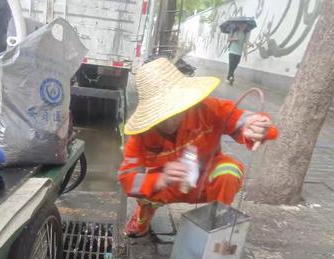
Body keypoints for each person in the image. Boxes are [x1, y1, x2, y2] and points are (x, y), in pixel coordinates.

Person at [118, 57, 278, 237]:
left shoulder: (208, 109)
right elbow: (127, 179)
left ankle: (216, 226)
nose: (172, 120)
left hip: (205, 178)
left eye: (177, 110)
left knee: (229, 171)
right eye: (162, 115)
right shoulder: (140, 137)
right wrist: (160, 179)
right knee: (143, 192)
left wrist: (255, 126)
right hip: (171, 183)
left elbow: (243, 120)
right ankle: (143, 217)